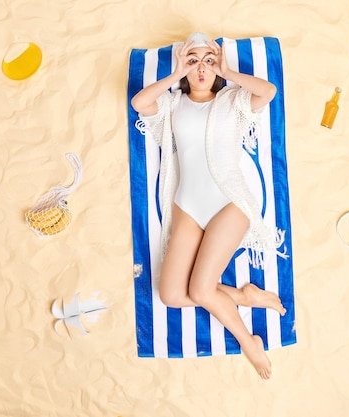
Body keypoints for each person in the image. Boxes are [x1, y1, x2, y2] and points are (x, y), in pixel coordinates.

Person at [131, 32, 285, 379]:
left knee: (200, 290)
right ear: (184, 66)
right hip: (188, 206)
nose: (201, 68)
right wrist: (174, 76)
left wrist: (228, 72)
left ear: (218, 66)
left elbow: (268, 92)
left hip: (228, 203)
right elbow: (141, 104)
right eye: (193, 60)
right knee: (171, 294)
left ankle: (248, 341)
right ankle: (243, 296)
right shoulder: (172, 104)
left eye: (208, 60)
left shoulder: (232, 99)